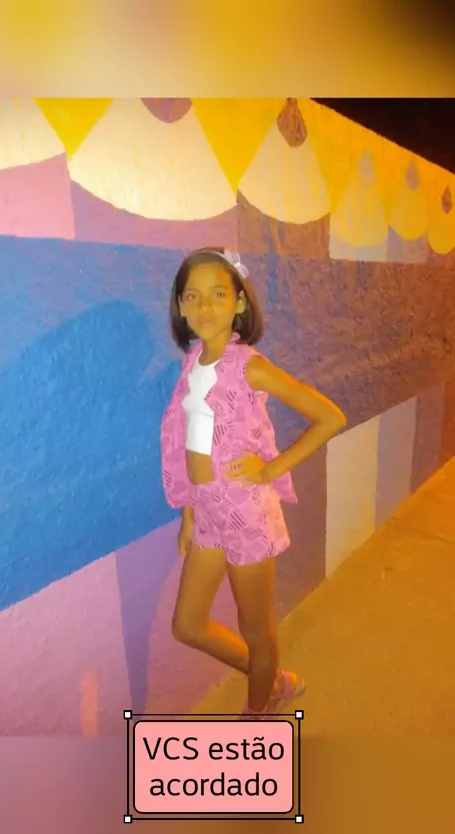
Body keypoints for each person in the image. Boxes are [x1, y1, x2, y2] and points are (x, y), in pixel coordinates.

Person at [160, 247, 346, 719]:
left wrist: (268, 470)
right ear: (180, 305)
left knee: (256, 629)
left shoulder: (250, 366)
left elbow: (330, 417)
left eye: (218, 294)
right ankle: (273, 679)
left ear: (239, 302)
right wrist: (188, 513)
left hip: (245, 513)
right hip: (207, 513)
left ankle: (257, 713)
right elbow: (189, 439)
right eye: (192, 296)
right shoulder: (192, 362)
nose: (204, 306)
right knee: (187, 625)